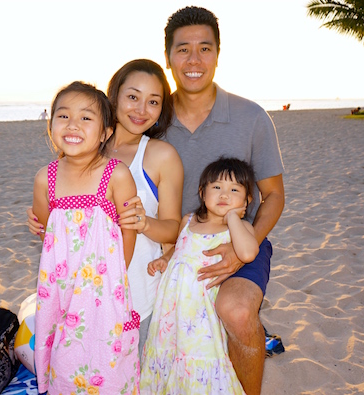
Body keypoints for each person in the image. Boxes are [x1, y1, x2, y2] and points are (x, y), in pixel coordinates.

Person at [158, 7, 285, 394]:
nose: (194, 60)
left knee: (236, 309)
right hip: (173, 241)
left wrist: (241, 248)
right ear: (168, 57)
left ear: (217, 53)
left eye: (204, 48)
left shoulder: (251, 117)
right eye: (183, 50)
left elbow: (274, 195)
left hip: (238, 238)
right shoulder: (151, 117)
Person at [27, 59, 184, 363]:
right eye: (133, 96)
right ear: (114, 96)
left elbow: (173, 228)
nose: (141, 109)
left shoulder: (161, 155)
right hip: (75, 294)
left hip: (134, 288)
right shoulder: (82, 145)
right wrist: (41, 217)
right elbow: (59, 211)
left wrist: (143, 223)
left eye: (153, 101)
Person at [31, 81, 140, 394]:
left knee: (107, 358)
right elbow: (46, 232)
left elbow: (127, 231)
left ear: (105, 132)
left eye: (86, 118)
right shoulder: (45, 178)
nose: (73, 125)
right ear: (50, 125)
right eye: (63, 116)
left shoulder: (116, 174)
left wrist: (115, 280)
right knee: (64, 356)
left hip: (104, 289)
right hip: (60, 289)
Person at [141, 157, 259, 394]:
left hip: (201, 310)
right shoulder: (189, 220)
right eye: (217, 187)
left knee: (200, 353)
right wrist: (165, 259)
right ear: (202, 192)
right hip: (173, 308)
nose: (224, 195)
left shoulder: (238, 229)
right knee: (169, 348)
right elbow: (179, 248)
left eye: (234, 190)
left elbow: (247, 253)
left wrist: (234, 218)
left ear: (247, 201)